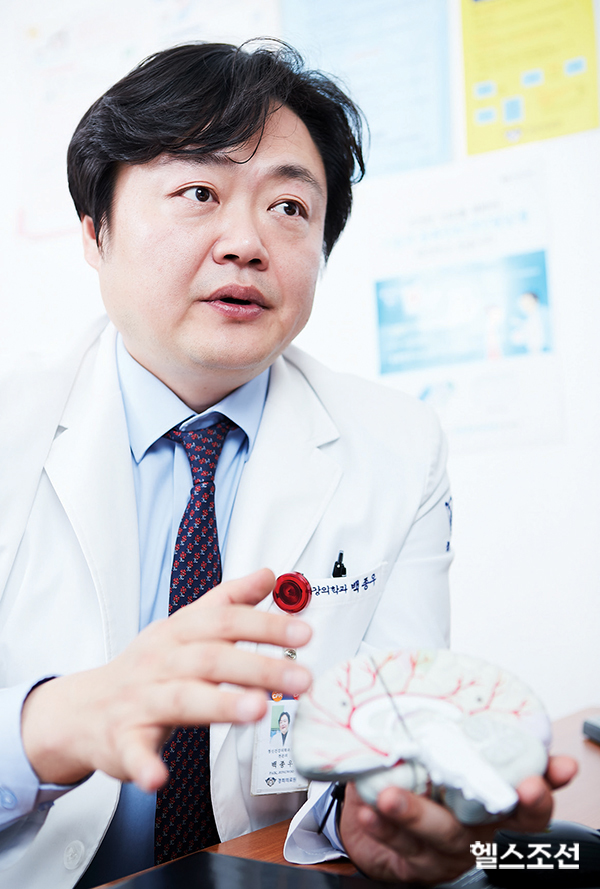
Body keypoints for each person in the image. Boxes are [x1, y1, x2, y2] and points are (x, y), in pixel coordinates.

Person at [0, 40, 575, 889]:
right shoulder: (12, 424)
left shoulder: (398, 446)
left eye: (289, 207)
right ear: (97, 230)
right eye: (199, 193)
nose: (246, 242)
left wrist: (375, 814)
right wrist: (46, 726)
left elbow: (389, 719)